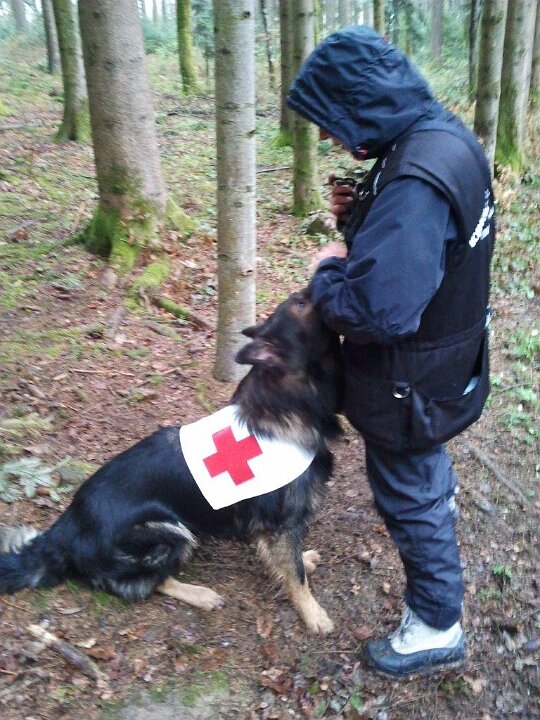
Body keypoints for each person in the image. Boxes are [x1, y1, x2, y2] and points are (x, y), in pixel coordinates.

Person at [287, 26, 495, 677]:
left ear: (361, 103)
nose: (329, 138)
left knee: (407, 491)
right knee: (421, 474)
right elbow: (424, 246)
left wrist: (327, 269)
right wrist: (363, 215)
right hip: (442, 359)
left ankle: (435, 626)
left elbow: (379, 310)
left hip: (409, 376)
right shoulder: (444, 139)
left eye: (331, 121)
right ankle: (436, 503)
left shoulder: (414, 179)